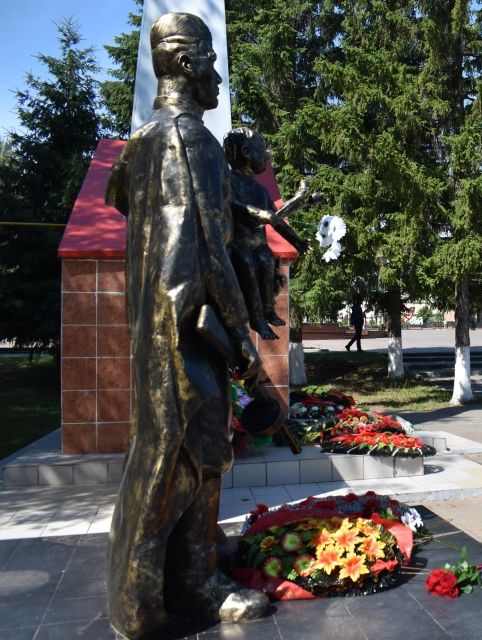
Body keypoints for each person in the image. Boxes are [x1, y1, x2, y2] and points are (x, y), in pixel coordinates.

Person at [103, 13, 268, 638]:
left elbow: (123, 200)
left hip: (157, 328)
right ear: (182, 62)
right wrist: (245, 336)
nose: (217, 74)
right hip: (187, 331)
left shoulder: (142, 143)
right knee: (186, 460)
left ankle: (181, 572)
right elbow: (208, 248)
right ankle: (169, 593)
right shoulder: (190, 139)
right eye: (210, 59)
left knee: (179, 456)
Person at [223, 126, 308, 340]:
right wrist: (257, 213)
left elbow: (276, 220)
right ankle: (256, 317)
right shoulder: (228, 180)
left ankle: (268, 311)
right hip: (239, 242)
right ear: (246, 152)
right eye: (262, 148)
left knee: (266, 259)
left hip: (259, 244)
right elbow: (229, 203)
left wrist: (297, 241)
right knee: (248, 264)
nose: (267, 155)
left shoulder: (261, 190)